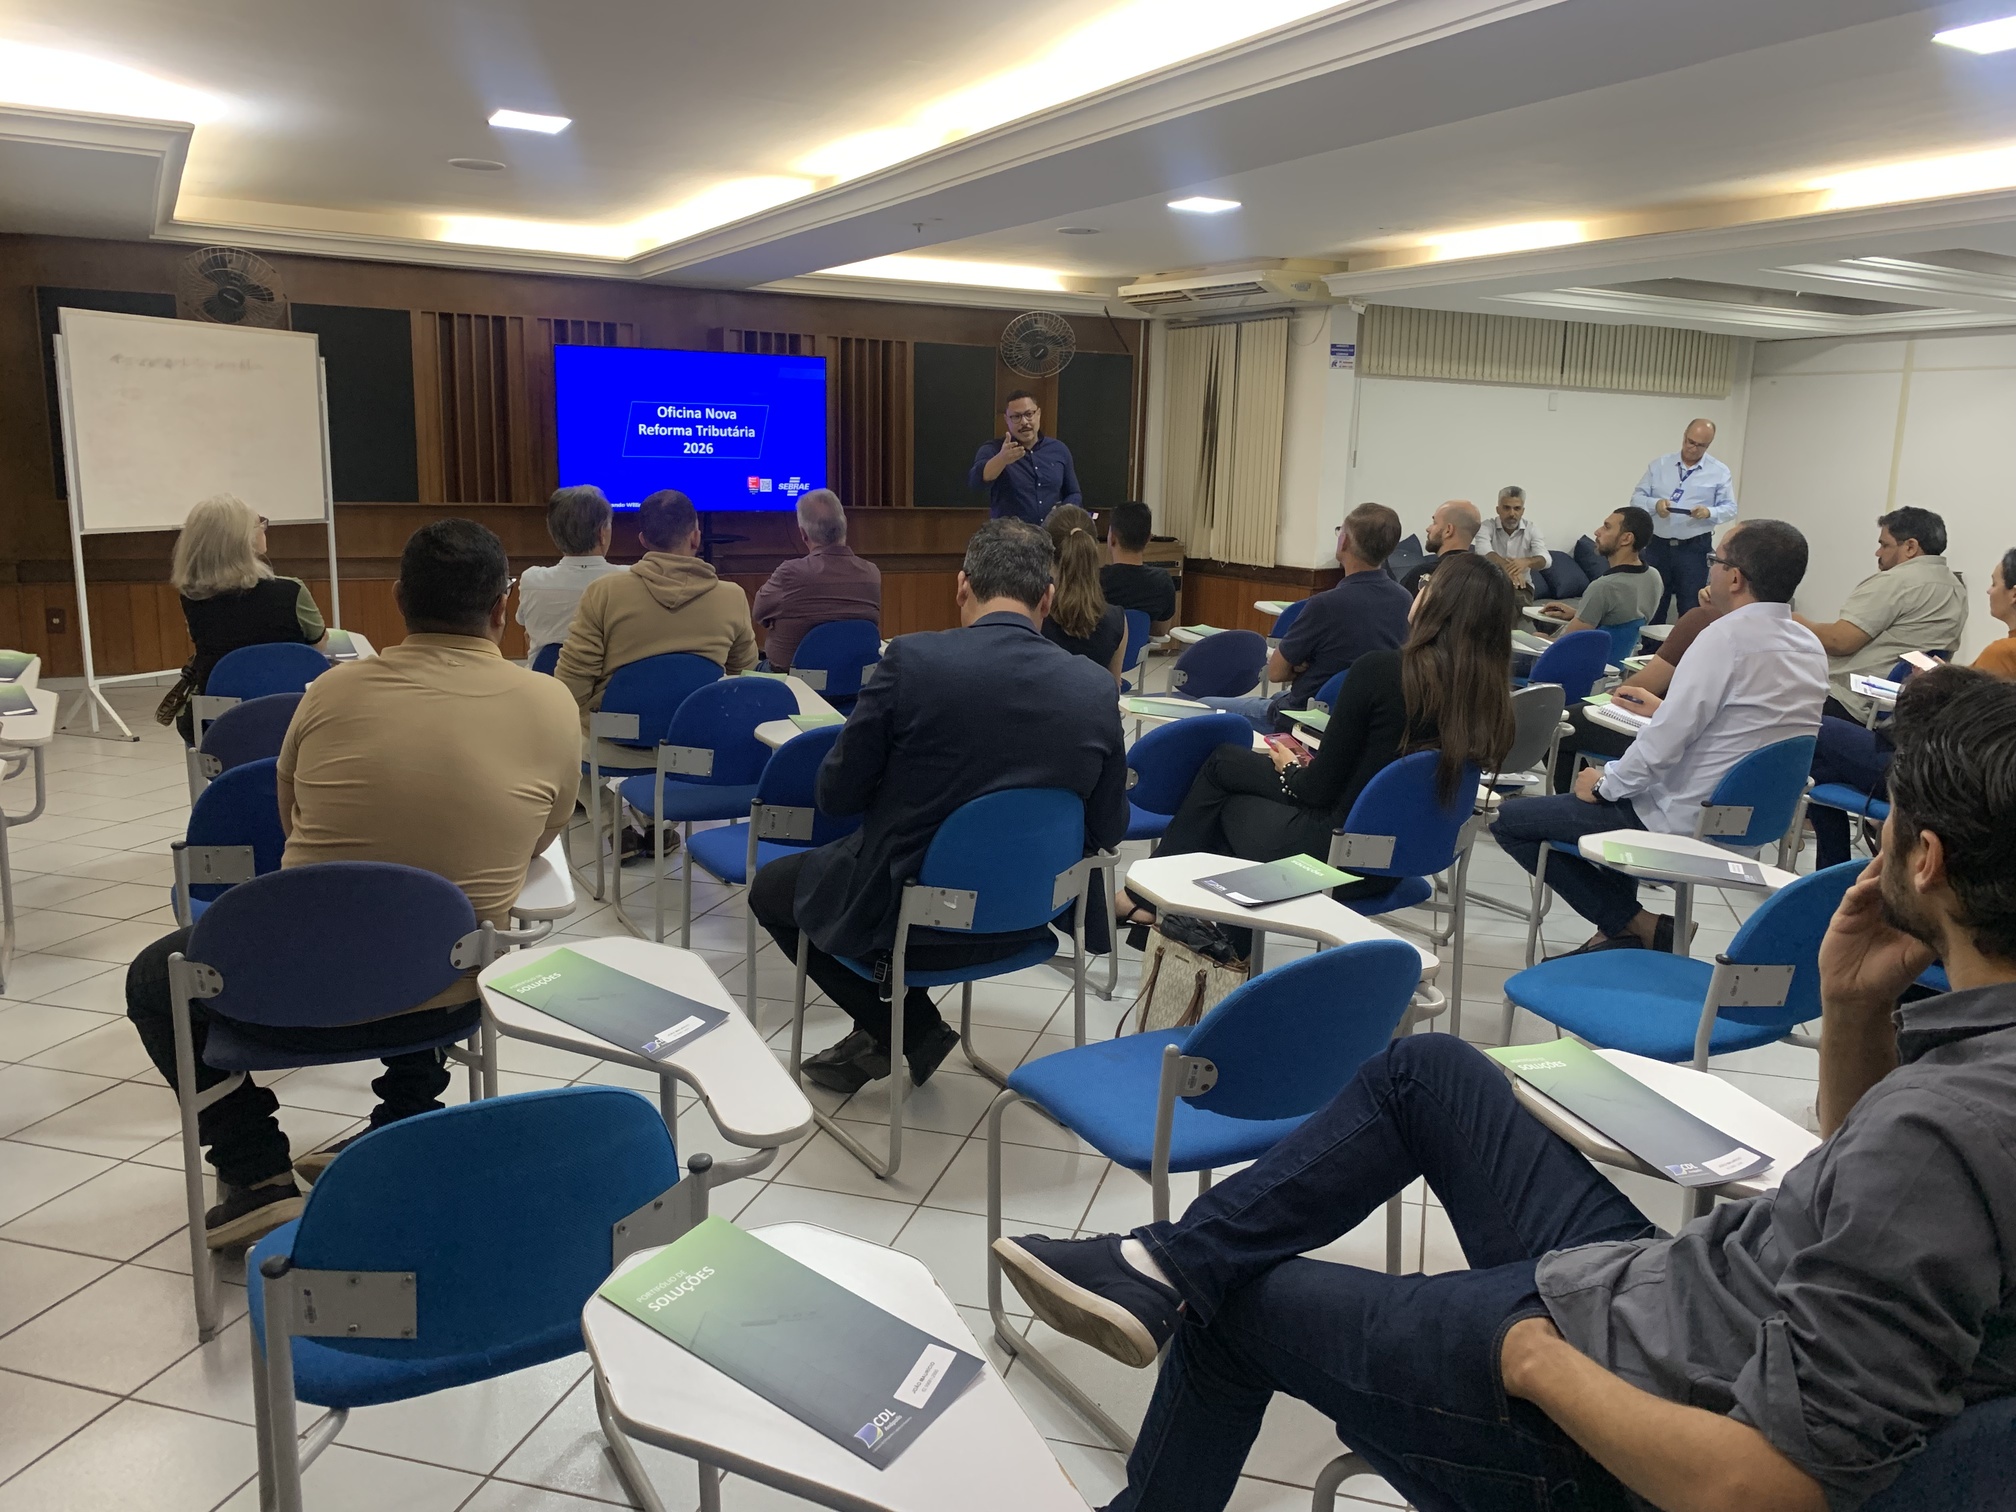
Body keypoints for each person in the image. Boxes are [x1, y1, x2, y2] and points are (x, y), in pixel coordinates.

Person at [995, 664, 2016, 1512]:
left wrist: (1530, 1357)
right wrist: (1852, 1011)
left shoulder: (1940, 1134)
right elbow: (1870, 1193)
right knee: (1431, 1072)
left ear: (1925, 861)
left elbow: (1765, 1490)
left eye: (1889, 821)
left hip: (1627, 1414)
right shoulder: (1964, 1088)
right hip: (1691, 1304)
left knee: (1240, 1307)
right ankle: (1164, 1263)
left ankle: (1181, 1292)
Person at [126, 520, 581, 1248]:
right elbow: (541, 836)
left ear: (399, 598)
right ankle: (404, 1120)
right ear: (504, 604)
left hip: (284, 996)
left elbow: (292, 820)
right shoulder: (551, 703)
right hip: (446, 993)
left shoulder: (330, 691)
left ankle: (255, 1169)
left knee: (155, 977)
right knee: (440, 908)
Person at [750, 519, 1126, 1094]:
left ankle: (910, 1029)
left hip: (914, 918)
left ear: (962, 586)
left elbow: (837, 794)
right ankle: (894, 1029)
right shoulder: (1095, 687)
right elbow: (1109, 825)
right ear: (1047, 599)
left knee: (774, 889)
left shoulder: (912, 661)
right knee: (909, 858)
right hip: (1029, 913)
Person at [1116, 552, 1514, 938]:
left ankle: (1153, 908)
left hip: (1334, 858)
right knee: (1226, 768)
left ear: (1442, 604)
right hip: (1406, 859)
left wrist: (1290, 766)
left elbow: (1317, 791)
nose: (1419, 588)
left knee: (1221, 796)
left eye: (1428, 583)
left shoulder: (1382, 672)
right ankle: (1174, 922)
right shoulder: (1490, 701)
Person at [1494, 520, 1825, 952]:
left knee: (1510, 821)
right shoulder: (1808, 646)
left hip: (1681, 821)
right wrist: (1664, 713)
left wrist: (1606, 783)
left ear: (1735, 578)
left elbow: (1664, 746)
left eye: (1715, 560)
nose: (1709, 569)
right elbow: (1744, 729)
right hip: (1752, 823)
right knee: (1618, 797)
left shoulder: (1724, 638)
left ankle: (1636, 924)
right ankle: (1622, 933)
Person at [1804, 543, 2016, 869]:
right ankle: (1839, 868)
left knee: (1819, 728)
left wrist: (1930, 688)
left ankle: (1834, 869)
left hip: (1939, 776)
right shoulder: (1954, 593)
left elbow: (1956, 720)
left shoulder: (2003, 653)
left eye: (1994, 582)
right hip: (1975, 780)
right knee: (1822, 767)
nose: (1989, 591)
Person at [555, 487, 757, 734]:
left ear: (643, 540)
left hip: (612, 741)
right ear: (696, 538)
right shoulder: (733, 597)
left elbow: (572, 683)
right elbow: (747, 677)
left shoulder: (603, 592)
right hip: (701, 741)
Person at [1201, 503, 1411, 735]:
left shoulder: (1326, 604)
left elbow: (1276, 673)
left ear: (1344, 542)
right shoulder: (1404, 599)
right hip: (1366, 717)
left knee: (1202, 707)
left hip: (1304, 716)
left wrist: (1300, 666)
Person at [169, 494, 327, 744]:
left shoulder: (191, 597)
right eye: (258, 523)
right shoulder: (291, 591)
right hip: (293, 712)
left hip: (220, 718)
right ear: (243, 539)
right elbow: (318, 644)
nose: (264, 527)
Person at [1792, 507, 1968, 724]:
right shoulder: (1956, 588)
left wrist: (1798, 622)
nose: (1878, 553)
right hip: (1901, 711)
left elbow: (1840, 641)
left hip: (1851, 703)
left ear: (1910, 547)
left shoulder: (1898, 581)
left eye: (1884, 545)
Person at [748, 488, 881, 671]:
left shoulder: (790, 574)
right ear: (844, 525)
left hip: (790, 682)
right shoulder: (872, 574)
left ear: (803, 534)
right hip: (854, 682)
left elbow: (759, 614)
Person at [1631, 417, 1737, 625]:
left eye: (1700, 445)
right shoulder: (1660, 465)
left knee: (1691, 607)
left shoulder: (1719, 472)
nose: (1693, 448)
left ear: (1709, 445)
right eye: (1690, 442)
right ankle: (1650, 646)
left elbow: (1730, 508)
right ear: (1684, 437)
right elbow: (1636, 498)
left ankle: (1688, 646)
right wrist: (1655, 505)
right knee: (1654, 604)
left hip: (1694, 548)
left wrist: (1708, 512)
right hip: (1657, 545)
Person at [515, 484, 626, 664]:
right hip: (608, 681)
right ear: (602, 534)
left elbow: (524, 625)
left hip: (546, 680)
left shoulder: (532, 580)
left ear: (554, 533)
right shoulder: (630, 579)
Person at [1534, 506, 1661, 637]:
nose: (1597, 532)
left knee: (1533, 637)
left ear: (1626, 539)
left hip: (1589, 651)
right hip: (1624, 650)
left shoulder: (1603, 586)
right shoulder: (1653, 577)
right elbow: (1619, 624)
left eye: (1607, 527)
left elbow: (1569, 645)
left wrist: (1543, 639)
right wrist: (1580, 614)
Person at [1042, 505, 1128, 685]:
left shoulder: (1034, 616)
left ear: (1047, 556)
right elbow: (1113, 690)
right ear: (1093, 549)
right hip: (1096, 703)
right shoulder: (1117, 620)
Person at [968, 390, 1081, 526]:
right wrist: (1002, 459)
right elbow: (976, 482)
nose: (1024, 422)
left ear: (1038, 414)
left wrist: (1064, 512)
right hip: (1010, 536)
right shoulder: (994, 449)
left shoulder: (1059, 449)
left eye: (1029, 414)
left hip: (1051, 534)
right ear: (1007, 420)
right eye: (1016, 417)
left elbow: (1073, 493)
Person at [1100, 500, 1177, 635]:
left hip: (1101, 648)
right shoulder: (1163, 582)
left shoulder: (1095, 580)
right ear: (1148, 539)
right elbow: (1161, 631)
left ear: (1112, 538)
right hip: (1140, 649)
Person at [1473, 485, 1547, 599]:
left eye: (1517, 508)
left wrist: (1527, 562)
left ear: (1522, 511)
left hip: (1521, 587)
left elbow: (1545, 559)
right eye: (1506, 508)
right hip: (1490, 586)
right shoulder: (1486, 527)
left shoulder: (1532, 529)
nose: (1512, 513)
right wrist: (1510, 570)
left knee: (1516, 602)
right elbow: (1484, 552)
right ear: (1498, 510)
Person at [1398, 500, 1480, 595]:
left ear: (1448, 530)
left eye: (1434, 522)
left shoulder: (1423, 574)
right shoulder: (1487, 577)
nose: (1428, 529)